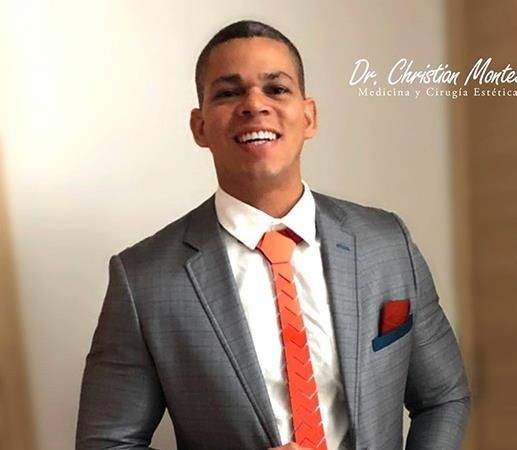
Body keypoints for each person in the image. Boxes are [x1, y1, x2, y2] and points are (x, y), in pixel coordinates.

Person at [76, 20, 470, 450]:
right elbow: (106, 443)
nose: (254, 104)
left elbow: (443, 398)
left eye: (276, 88)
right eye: (228, 92)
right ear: (200, 126)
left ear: (309, 116)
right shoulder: (143, 280)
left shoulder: (387, 243)